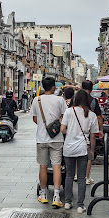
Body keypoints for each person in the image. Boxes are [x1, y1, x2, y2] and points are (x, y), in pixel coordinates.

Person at [30, 76, 66, 208]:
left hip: (41, 138)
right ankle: (56, 196)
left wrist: (43, 127)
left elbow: (35, 119)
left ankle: (43, 194)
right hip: (57, 138)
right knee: (57, 166)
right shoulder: (60, 100)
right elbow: (64, 117)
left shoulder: (36, 99)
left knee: (43, 166)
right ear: (53, 87)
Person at [61, 89, 99, 214]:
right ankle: (80, 205)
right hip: (83, 148)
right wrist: (92, 151)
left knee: (69, 175)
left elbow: (62, 129)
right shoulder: (92, 115)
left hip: (68, 148)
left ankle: (67, 202)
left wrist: (71, 132)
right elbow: (93, 136)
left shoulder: (68, 111)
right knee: (82, 177)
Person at [81, 80, 103, 185]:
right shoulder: (94, 101)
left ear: (81, 88)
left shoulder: (75, 100)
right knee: (90, 153)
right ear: (91, 89)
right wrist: (101, 130)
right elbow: (99, 117)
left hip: (77, 130)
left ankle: (77, 174)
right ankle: (86, 176)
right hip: (91, 132)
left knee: (77, 154)